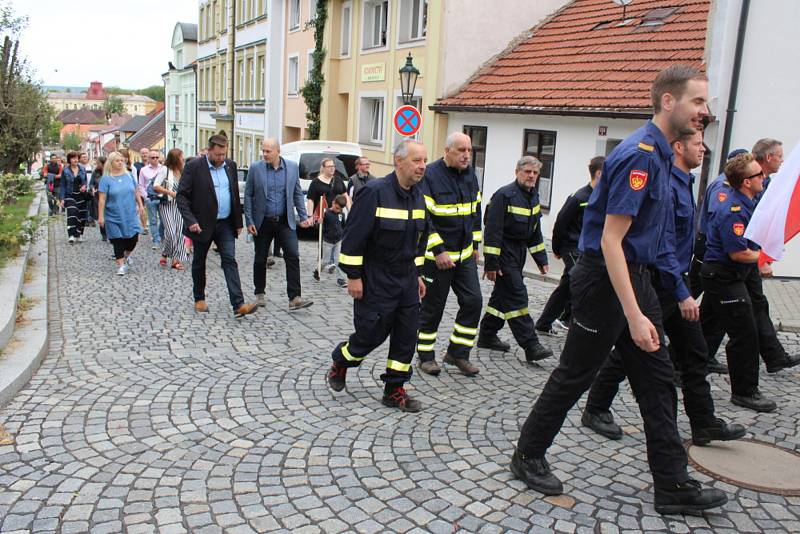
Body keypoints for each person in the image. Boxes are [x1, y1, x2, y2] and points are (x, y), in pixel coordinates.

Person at [511, 65, 727, 515]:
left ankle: (672, 485)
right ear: (669, 102)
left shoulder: (665, 156)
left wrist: (661, 293)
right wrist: (633, 314)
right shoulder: (640, 155)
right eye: (698, 102)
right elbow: (611, 240)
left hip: (638, 277)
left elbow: (655, 234)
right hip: (605, 279)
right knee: (576, 373)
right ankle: (528, 454)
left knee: (658, 381)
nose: (705, 112)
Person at [580, 129, 746, 447]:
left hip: (675, 279)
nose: (703, 150)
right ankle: (596, 406)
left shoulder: (685, 181)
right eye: (698, 144)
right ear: (679, 146)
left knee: (694, 353)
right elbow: (663, 244)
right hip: (660, 281)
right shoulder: (666, 182)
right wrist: (682, 292)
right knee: (635, 348)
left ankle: (703, 422)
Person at [326, 139, 429, 412]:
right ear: (399, 161)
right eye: (417, 161)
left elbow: (420, 243)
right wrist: (354, 276)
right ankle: (341, 361)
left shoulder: (420, 197)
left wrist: (417, 275)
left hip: (406, 280)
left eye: (425, 161)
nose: (422, 167)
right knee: (370, 334)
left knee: (407, 337)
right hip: (376, 279)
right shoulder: (374, 192)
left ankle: (394, 389)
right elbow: (352, 239)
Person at [700, 152, 799, 412]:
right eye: (759, 175)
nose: (764, 178)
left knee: (706, 326)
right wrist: (764, 257)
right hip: (723, 275)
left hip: (727, 275)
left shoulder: (749, 202)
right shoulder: (733, 208)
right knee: (745, 334)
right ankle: (745, 392)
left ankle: (681, 367)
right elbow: (739, 252)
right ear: (746, 181)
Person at [416, 132, 483, 376]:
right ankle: (425, 355)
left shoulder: (471, 176)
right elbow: (425, 219)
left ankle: (457, 353)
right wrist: (439, 250)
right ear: (447, 151)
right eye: (461, 150)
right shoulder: (430, 176)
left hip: (464, 256)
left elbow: (476, 212)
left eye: (469, 150)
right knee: (433, 307)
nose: (466, 155)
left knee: (474, 302)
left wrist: (475, 245)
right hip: (437, 259)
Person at [476, 156, 553, 363]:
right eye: (527, 172)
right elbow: (492, 232)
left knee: (502, 298)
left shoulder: (533, 197)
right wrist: (492, 263)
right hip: (503, 255)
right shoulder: (504, 195)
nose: (531, 176)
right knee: (517, 296)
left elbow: (535, 233)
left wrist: (541, 259)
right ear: (517, 172)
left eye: (535, 173)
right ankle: (531, 345)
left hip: (518, 255)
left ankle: (487, 335)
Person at [176, 134, 258, 318]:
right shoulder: (194, 167)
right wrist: (191, 221)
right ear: (209, 150)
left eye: (224, 154)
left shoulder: (230, 165)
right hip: (201, 224)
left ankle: (239, 304)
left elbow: (234, 194)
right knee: (199, 261)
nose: (221, 158)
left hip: (226, 224)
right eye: (218, 154)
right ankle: (199, 298)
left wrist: (238, 221)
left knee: (229, 260)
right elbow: (181, 196)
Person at [535, 157, 603, 336]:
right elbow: (560, 223)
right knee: (583, 282)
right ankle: (576, 323)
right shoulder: (579, 197)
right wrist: (557, 249)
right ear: (599, 174)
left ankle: (547, 322)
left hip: (587, 250)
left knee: (567, 286)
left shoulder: (602, 198)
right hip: (572, 247)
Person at [244, 138, 314, 311]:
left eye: (268, 151)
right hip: (263, 221)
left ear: (278, 151)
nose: (265, 154)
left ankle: (295, 297)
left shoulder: (291, 167)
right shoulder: (255, 169)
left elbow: (297, 193)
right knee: (260, 259)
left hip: (284, 220)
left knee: (293, 255)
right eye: (263, 151)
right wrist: (250, 221)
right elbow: (248, 196)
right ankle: (259, 292)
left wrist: (303, 216)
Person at [97, 152, 144, 275]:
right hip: (113, 214)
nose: (120, 162)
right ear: (111, 163)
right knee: (118, 240)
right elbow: (102, 199)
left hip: (130, 213)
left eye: (121, 160)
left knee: (133, 238)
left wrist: (140, 204)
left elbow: (136, 191)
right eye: (117, 160)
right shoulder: (106, 179)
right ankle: (121, 265)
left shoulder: (129, 175)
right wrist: (101, 217)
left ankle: (127, 255)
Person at [153, 148, 189, 270]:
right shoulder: (165, 170)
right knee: (170, 232)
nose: (182, 159)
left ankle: (175, 260)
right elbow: (156, 185)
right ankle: (166, 253)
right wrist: (170, 192)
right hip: (167, 204)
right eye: (181, 157)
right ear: (175, 158)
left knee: (179, 233)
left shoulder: (183, 171)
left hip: (180, 206)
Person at [319, 194, 348, 288]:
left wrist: (344, 234)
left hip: (338, 240)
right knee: (325, 260)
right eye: (337, 208)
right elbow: (320, 227)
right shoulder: (326, 213)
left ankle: (341, 279)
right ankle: (318, 269)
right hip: (328, 241)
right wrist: (319, 222)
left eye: (340, 209)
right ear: (333, 203)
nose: (338, 210)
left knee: (339, 260)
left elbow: (343, 226)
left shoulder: (341, 214)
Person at [59, 151, 89, 244]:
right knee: (72, 212)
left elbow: (85, 181)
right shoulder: (65, 170)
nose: (75, 160)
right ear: (69, 160)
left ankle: (79, 234)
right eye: (73, 158)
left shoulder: (82, 169)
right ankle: (71, 235)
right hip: (69, 195)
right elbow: (63, 185)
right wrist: (62, 198)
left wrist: (84, 186)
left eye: (76, 158)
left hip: (81, 195)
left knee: (82, 215)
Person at [139, 149, 163, 250]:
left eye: (157, 157)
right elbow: (141, 185)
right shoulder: (144, 170)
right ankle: (156, 240)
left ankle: (161, 236)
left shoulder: (163, 168)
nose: (155, 159)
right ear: (149, 159)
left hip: (162, 198)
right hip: (150, 199)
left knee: (164, 220)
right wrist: (146, 197)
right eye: (153, 157)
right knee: (153, 221)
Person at [89, 157, 107, 241]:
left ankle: (111, 233)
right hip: (98, 196)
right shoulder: (95, 172)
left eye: (98, 163)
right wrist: (92, 188)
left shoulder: (109, 172)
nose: (97, 165)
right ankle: (103, 233)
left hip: (109, 196)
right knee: (101, 214)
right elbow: (91, 183)